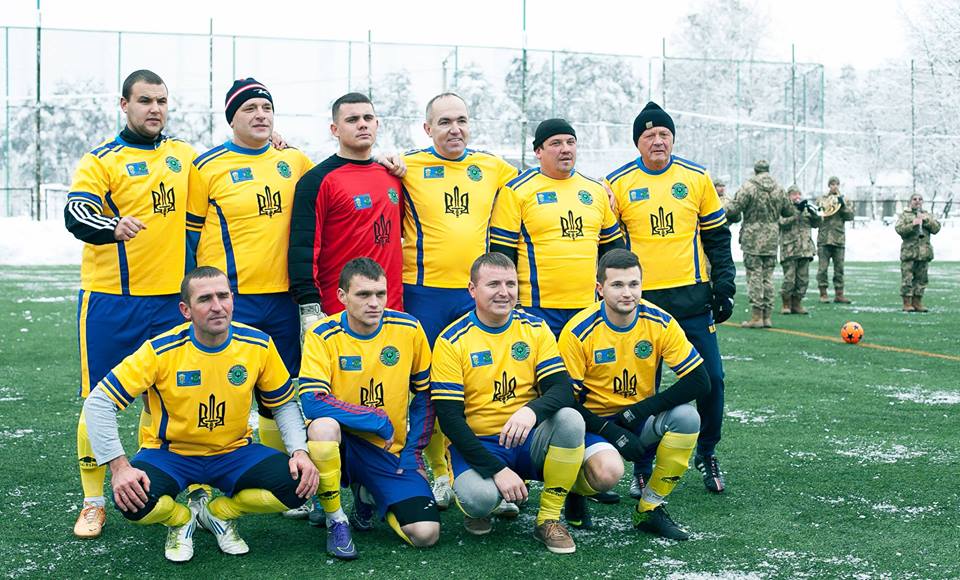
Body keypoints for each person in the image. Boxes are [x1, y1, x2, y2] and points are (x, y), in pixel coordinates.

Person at [81, 266, 318, 562]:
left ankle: (218, 513)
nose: (217, 306)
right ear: (186, 310)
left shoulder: (258, 344)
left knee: (300, 485)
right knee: (132, 501)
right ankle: (180, 520)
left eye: (223, 296)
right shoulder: (160, 350)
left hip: (234, 452)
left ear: (232, 299)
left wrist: (299, 452)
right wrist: (119, 467)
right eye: (205, 299)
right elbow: (98, 402)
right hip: (171, 454)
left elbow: (283, 404)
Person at [64, 69, 197, 538]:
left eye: (161, 101)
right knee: (98, 399)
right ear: (124, 105)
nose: (155, 109)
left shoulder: (185, 156)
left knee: (169, 397)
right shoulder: (102, 160)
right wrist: (112, 226)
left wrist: (274, 141)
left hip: (170, 302)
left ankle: (162, 485)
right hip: (111, 301)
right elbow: (76, 212)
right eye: (145, 100)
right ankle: (93, 501)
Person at [604, 101, 735, 494]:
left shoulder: (696, 177)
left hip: (692, 298)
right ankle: (642, 464)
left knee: (712, 379)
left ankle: (707, 451)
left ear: (673, 139)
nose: (658, 140)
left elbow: (717, 237)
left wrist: (724, 285)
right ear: (638, 143)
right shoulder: (617, 183)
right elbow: (607, 246)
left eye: (664, 134)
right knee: (643, 389)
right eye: (649, 135)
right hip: (641, 304)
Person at [401, 93, 519, 511]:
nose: (455, 129)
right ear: (427, 128)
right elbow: (361, 164)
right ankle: (438, 472)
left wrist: (601, 188)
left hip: (476, 293)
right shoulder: (406, 165)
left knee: (479, 383)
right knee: (430, 386)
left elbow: (542, 179)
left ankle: (482, 468)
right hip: (423, 293)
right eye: (445, 122)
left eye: (462, 120)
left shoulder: (492, 166)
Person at [187, 78, 313, 465]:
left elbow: (332, 183)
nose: (260, 115)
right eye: (250, 109)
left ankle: (281, 473)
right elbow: (190, 237)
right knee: (222, 387)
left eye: (266, 108)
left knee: (280, 391)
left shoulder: (295, 161)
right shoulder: (206, 167)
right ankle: (208, 473)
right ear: (231, 118)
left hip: (283, 299)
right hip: (230, 299)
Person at [431, 253, 585, 554]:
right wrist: (497, 470)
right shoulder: (452, 340)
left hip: (525, 437)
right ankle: (487, 501)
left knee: (570, 420)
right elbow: (450, 420)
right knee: (480, 500)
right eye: (493, 284)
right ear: (472, 289)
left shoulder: (535, 328)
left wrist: (530, 411)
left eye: (510, 284)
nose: (504, 292)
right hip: (478, 443)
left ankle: (549, 518)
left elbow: (562, 390)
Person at [558, 249, 710, 540]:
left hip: (638, 419)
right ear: (600, 288)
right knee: (607, 474)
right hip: (592, 424)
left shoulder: (660, 322)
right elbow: (564, 401)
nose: (627, 293)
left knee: (688, 418)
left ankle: (649, 508)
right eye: (617, 285)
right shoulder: (578, 331)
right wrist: (612, 431)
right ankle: (576, 489)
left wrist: (638, 412)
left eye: (633, 284)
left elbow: (699, 381)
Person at [298, 258, 439, 559]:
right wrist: (374, 418)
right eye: (363, 294)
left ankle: (366, 496)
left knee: (426, 534)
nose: (374, 303)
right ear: (342, 296)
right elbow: (312, 399)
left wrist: (413, 453)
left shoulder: (409, 329)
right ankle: (336, 519)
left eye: (380, 294)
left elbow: (426, 396)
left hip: (387, 450)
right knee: (322, 427)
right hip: (344, 444)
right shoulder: (322, 334)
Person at [489, 118, 625, 337]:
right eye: (556, 143)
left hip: (588, 307)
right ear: (538, 151)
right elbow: (502, 255)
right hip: (535, 308)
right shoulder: (516, 191)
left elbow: (614, 251)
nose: (565, 149)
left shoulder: (595, 190)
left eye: (571, 142)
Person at [289, 92, 404, 327]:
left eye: (368, 118)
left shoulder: (394, 176)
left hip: (391, 309)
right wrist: (309, 306)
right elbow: (303, 251)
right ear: (335, 130)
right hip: (339, 312)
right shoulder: (316, 181)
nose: (362, 124)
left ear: (377, 124)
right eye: (352, 120)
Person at [725, 160, 795, 328]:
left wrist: (721, 208)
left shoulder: (748, 187)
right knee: (767, 277)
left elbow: (734, 209)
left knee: (754, 276)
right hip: (771, 237)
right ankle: (767, 316)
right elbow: (789, 211)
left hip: (752, 237)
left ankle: (757, 316)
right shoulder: (779, 188)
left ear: (755, 171)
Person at [778, 185, 821, 315]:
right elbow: (782, 223)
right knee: (789, 279)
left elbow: (817, 224)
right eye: (794, 194)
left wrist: (815, 215)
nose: (797, 197)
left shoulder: (805, 208)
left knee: (803, 280)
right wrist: (797, 212)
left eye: (798, 194)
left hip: (805, 249)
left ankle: (797, 303)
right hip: (790, 250)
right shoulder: (784, 208)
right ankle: (786, 304)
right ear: (788, 196)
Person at [895, 193, 941, 312]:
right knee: (907, 279)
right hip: (909, 253)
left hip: (924, 253)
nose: (917, 201)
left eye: (920, 199)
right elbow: (899, 229)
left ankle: (917, 302)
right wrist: (913, 224)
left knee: (921, 279)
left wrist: (926, 221)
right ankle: (907, 303)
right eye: (914, 199)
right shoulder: (905, 215)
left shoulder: (927, 215)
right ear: (910, 201)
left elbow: (936, 228)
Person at [816, 176, 855, 304]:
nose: (834, 186)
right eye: (832, 184)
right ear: (829, 186)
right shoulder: (822, 199)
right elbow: (817, 216)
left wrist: (843, 205)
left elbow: (850, 216)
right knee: (822, 269)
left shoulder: (845, 199)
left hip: (838, 239)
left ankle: (839, 294)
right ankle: (823, 293)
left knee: (839, 269)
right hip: (824, 239)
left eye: (837, 184)